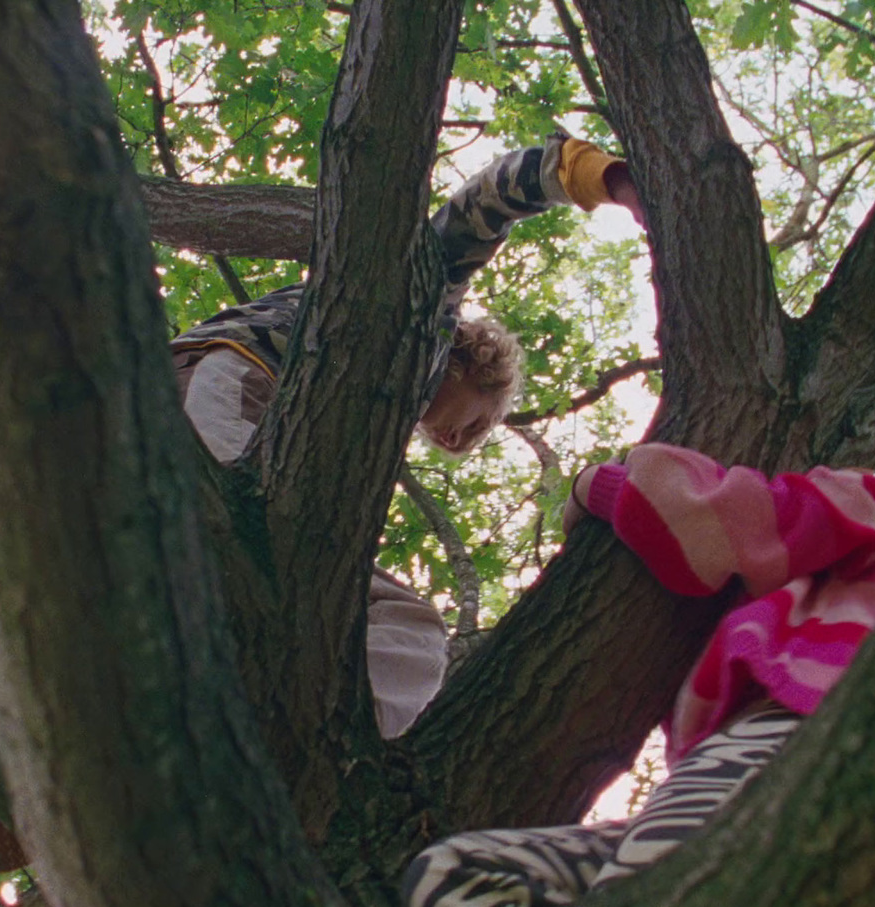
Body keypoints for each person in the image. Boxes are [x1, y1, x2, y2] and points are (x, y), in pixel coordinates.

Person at [170, 130, 638, 733]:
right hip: (227, 383)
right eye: (472, 424)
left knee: (395, 616)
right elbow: (487, 200)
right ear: (471, 361)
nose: (454, 441)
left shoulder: (359, 423)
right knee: (249, 534)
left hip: (192, 426)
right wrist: (608, 178)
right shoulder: (422, 310)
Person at [401, 443, 875, 907]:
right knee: (452, 876)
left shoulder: (868, 506)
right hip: (745, 780)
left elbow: (700, 526)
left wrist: (593, 485)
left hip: (801, 735)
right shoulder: (759, 624)